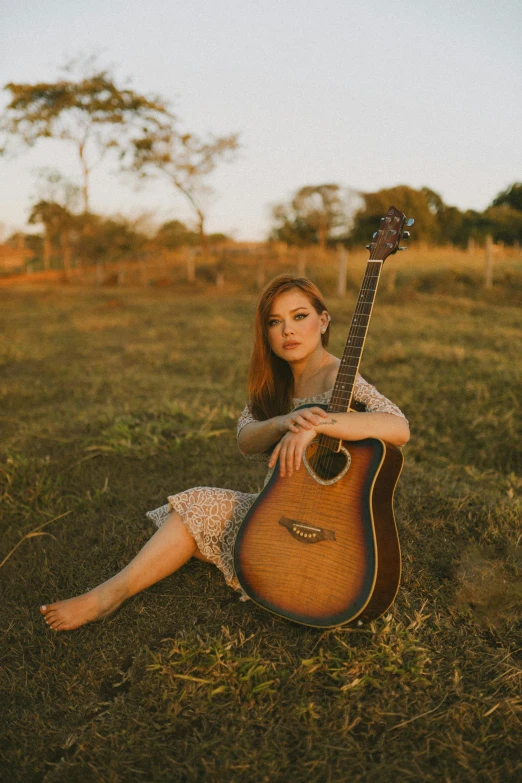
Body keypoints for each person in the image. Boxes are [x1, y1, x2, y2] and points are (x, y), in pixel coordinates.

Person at [40, 276, 409, 631]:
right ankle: (108, 595)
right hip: (277, 515)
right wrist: (285, 421)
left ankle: (280, 570)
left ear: (323, 320)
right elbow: (246, 439)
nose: (288, 331)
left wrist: (318, 424)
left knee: (208, 528)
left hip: (337, 529)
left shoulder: (341, 376)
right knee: (196, 505)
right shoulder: (275, 383)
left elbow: (398, 427)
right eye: (275, 322)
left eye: (300, 316)